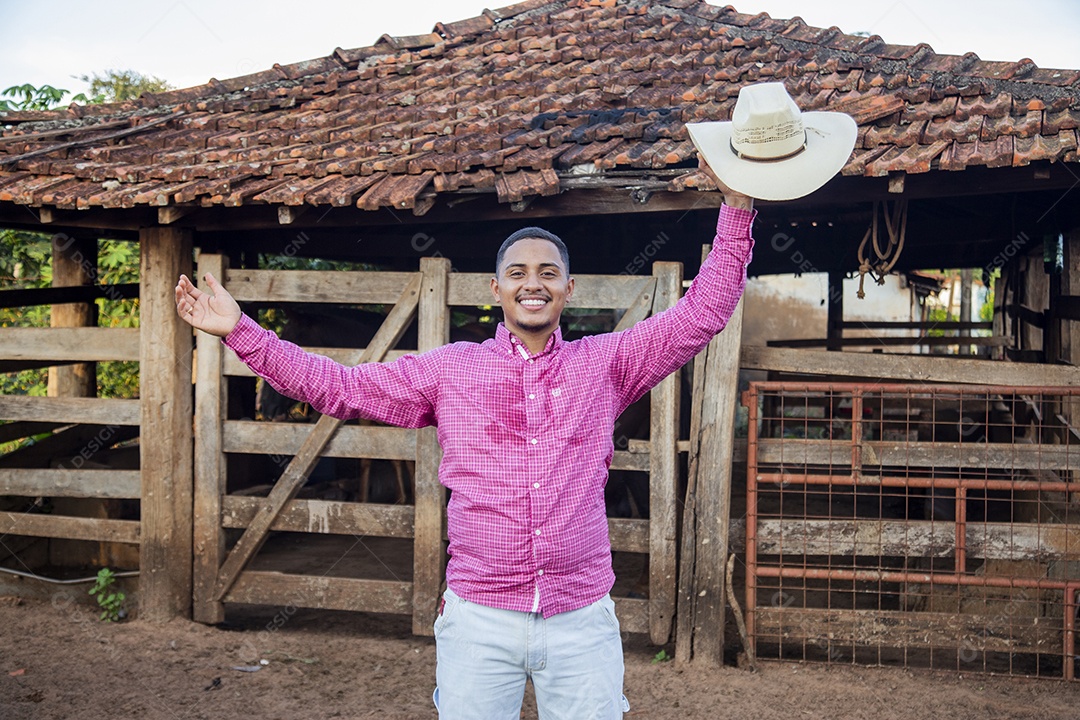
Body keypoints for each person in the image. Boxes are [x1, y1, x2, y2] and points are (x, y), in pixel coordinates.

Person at [175, 160, 754, 718]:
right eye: (519, 274)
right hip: (479, 619)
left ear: (568, 289)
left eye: (548, 274)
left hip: (580, 618)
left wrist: (736, 204)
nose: (534, 285)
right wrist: (239, 330)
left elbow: (703, 312)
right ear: (495, 289)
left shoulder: (607, 363)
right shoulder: (449, 371)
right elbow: (339, 389)